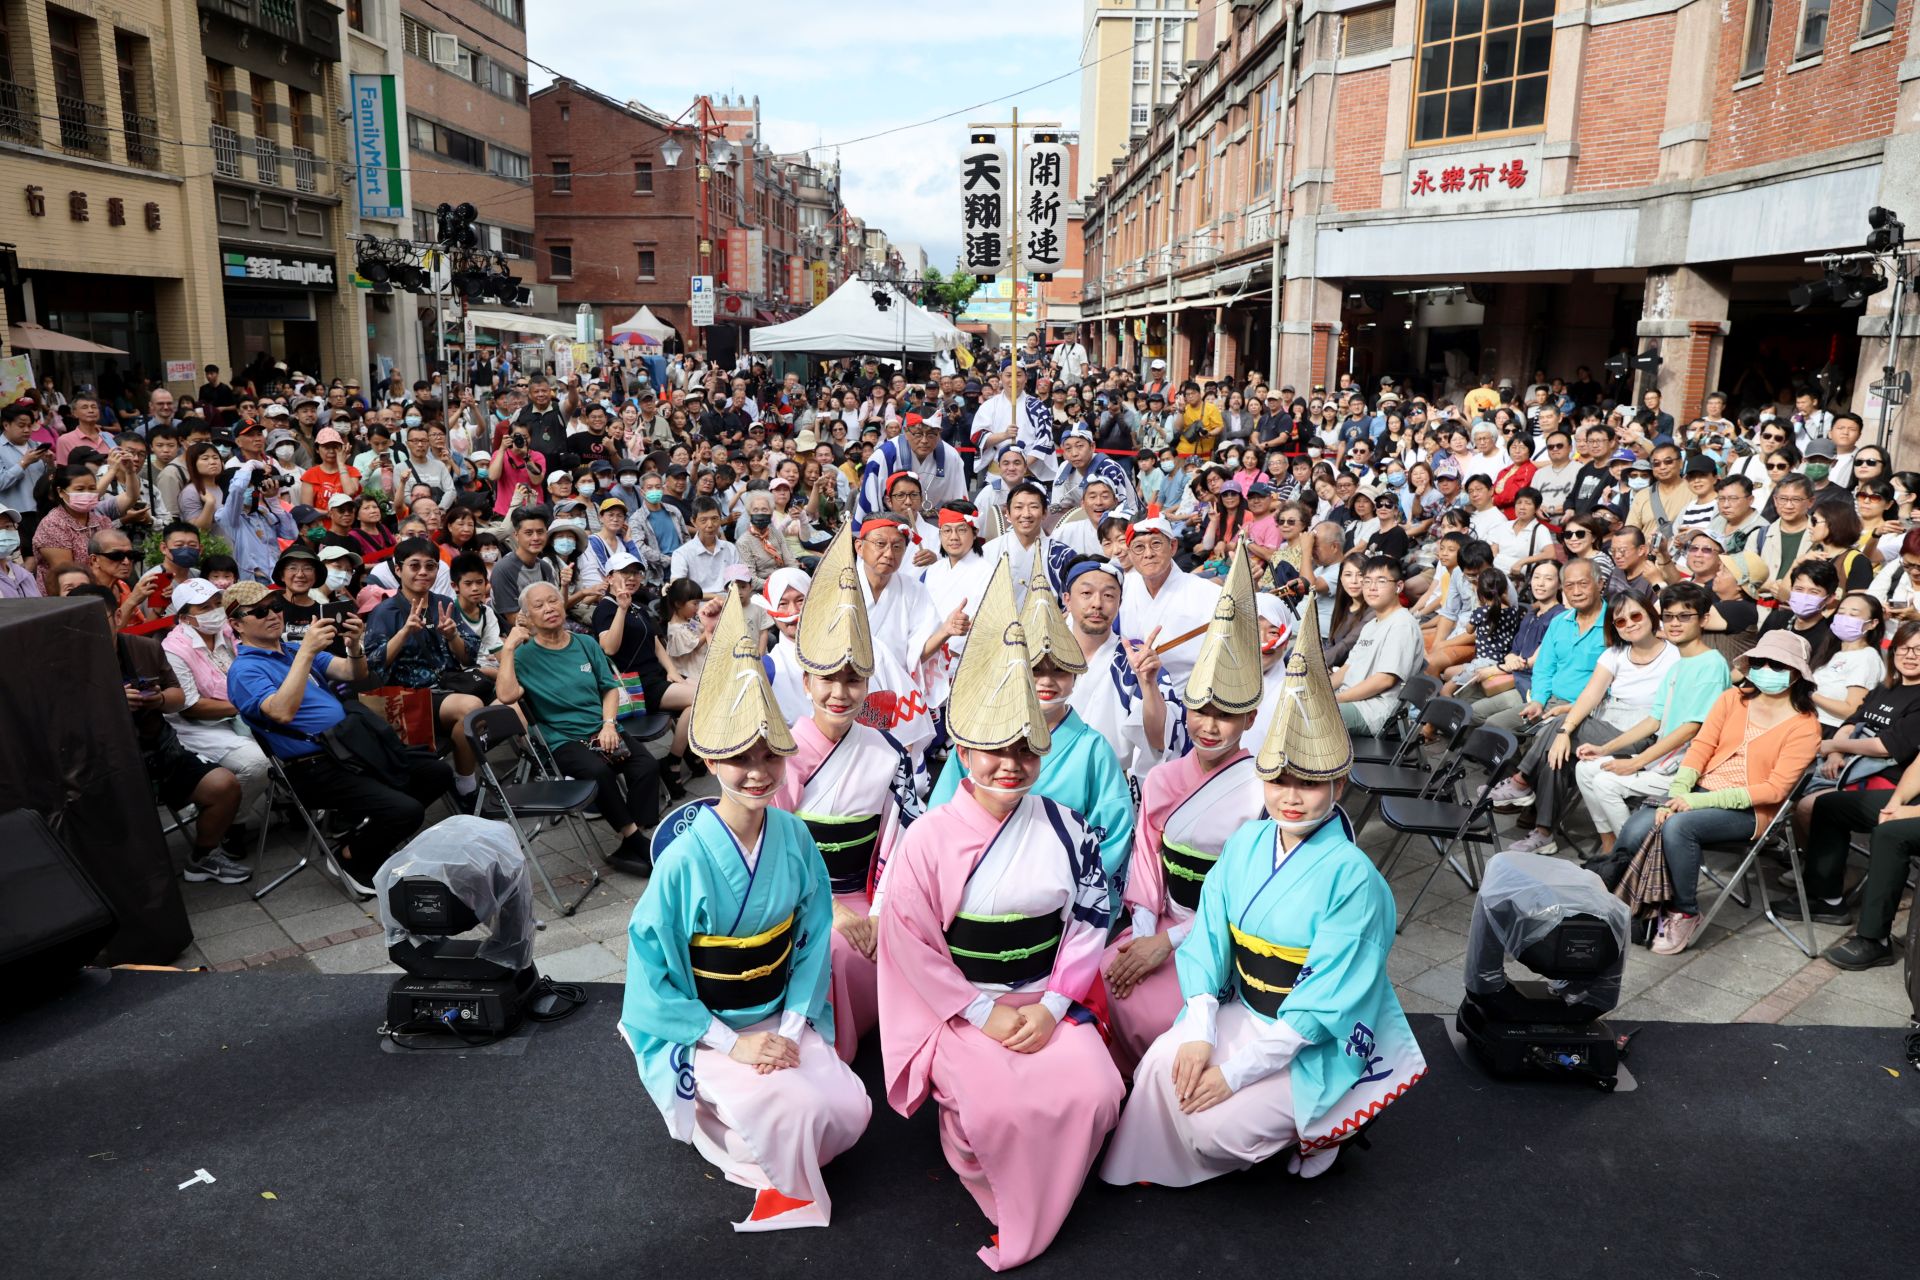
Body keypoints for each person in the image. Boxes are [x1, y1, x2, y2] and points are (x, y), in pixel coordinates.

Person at [1100, 600, 1423, 1188]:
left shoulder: (1353, 879)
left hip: (1311, 1033)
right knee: (1161, 1072)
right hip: (1244, 1004)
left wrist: (1235, 1073)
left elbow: (1322, 1003)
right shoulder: (1248, 843)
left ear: (1339, 782)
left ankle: (1332, 1121)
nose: (1291, 796)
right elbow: (1209, 942)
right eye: (1279, 780)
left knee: (1216, 1125)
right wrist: (1200, 1030)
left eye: (1310, 782)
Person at [875, 559, 1123, 1272]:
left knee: (1099, 1089)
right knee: (992, 1113)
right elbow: (911, 939)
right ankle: (982, 1167)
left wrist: (1049, 1005)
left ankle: (1045, 1180)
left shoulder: (1068, 825)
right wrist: (982, 1014)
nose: (1008, 764)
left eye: (1023, 749)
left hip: (1045, 997)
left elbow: (1087, 919)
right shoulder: (928, 837)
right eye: (991, 749)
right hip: (963, 1006)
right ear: (962, 749)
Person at [618, 591, 870, 1231]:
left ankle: (759, 1119)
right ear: (708, 758)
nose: (758, 773)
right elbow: (652, 971)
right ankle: (719, 1130)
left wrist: (787, 1030)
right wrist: (735, 1044)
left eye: (770, 756)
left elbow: (812, 939)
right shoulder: (682, 861)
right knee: (792, 1113)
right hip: (708, 1027)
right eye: (740, 757)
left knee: (849, 1110)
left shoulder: (793, 836)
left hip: (778, 1015)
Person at [1102, 547, 1268, 1076]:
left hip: (1225, 938)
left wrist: (1168, 944)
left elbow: (1248, 895)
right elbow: (1148, 865)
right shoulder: (1166, 778)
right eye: (1201, 711)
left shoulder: (1263, 791)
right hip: (1163, 919)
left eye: (1226, 714)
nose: (1210, 726)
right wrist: (1145, 932)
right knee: (1106, 975)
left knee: (1171, 1014)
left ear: (1251, 718)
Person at [772, 532, 921, 1063]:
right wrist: (833, 910)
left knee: (908, 938)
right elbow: (774, 846)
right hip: (804, 899)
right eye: (828, 680)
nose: (841, 692)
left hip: (873, 891)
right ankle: (834, 1047)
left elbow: (903, 840)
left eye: (854, 681)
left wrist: (880, 912)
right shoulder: (783, 752)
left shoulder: (887, 751)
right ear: (808, 682)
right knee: (832, 950)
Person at [927, 558, 1136, 900]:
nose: (1046, 682)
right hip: (970, 886)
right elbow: (940, 816)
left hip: (1057, 894)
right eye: (1035, 669)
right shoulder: (979, 736)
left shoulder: (1093, 748)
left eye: (1059, 671)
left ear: (1075, 677)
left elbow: (1112, 832)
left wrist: (1068, 886)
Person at [227, 581, 452, 894]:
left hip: (350, 748)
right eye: (260, 611)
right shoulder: (245, 670)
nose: (273, 615)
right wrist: (306, 651)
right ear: (236, 624)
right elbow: (281, 712)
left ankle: (363, 836)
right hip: (312, 766)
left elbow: (353, 674)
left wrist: (355, 646)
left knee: (436, 772)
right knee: (406, 811)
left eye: (276, 607)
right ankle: (353, 857)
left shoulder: (290, 650)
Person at [1611, 631, 1822, 954]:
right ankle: (1623, 898)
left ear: (1797, 674)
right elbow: (1702, 746)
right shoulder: (1732, 699)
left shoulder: (1805, 725)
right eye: (1760, 662)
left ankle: (1684, 911)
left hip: (1749, 810)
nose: (1766, 668)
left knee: (1679, 826)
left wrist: (1695, 800)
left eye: (1777, 665)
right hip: (1697, 791)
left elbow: (1774, 789)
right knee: (1637, 825)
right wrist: (1680, 790)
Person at [68, 583, 248, 883]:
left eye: (102, 618)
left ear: (117, 617)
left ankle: (203, 856)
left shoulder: (145, 648)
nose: (95, 629)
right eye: (83, 623)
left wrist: (159, 699)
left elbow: (179, 699)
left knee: (224, 786)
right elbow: (62, 719)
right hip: (102, 759)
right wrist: (110, 702)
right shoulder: (62, 662)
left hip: (158, 747)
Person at [496, 581, 661, 875]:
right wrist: (508, 648)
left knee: (646, 765)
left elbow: (609, 689)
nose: (549, 608)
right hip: (562, 739)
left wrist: (609, 724)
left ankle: (632, 834)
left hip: (601, 729)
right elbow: (507, 696)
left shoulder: (585, 644)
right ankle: (635, 840)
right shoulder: (523, 656)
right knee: (600, 773)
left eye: (553, 601)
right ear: (528, 617)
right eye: (539, 605)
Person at [1570, 583, 1732, 854]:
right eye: (1668, 616)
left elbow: (1692, 728)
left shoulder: (1711, 665)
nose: (1675, 623)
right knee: (1585, 768)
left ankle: (1634, 856)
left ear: (1703, 619)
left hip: (1688, 768)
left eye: (1684, 616)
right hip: (1663, 760)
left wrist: (1635, 763)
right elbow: (1654, 719)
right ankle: (1614, 847)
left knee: (1605, 782)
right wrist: (1605, 749)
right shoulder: (1679, 663)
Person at [364, 537, 487, 801]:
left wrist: (453, 635)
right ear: (398, 570)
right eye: (415, 566)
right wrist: (404, 632)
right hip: (406, 698)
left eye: (430, 566)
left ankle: (461, 779)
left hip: (448, 688)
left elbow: (469, 657)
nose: (423, 572)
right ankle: (466, 784)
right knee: (470, 708)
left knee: (507, 698)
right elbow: (371, 666)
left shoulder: (443, 603)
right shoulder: (385, 612)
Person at [1331, 555, 1423, 735]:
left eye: (1381, 581)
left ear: (1398, 586)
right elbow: (1345, 670)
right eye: (1367, 581)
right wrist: (1318, 690)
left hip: (1374, 711)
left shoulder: (1402, 624)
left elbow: (1385, 680)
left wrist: (1335, 699)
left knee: (1309, 716)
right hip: (1352, 701)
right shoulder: (1371, 625)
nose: (1372, 588)